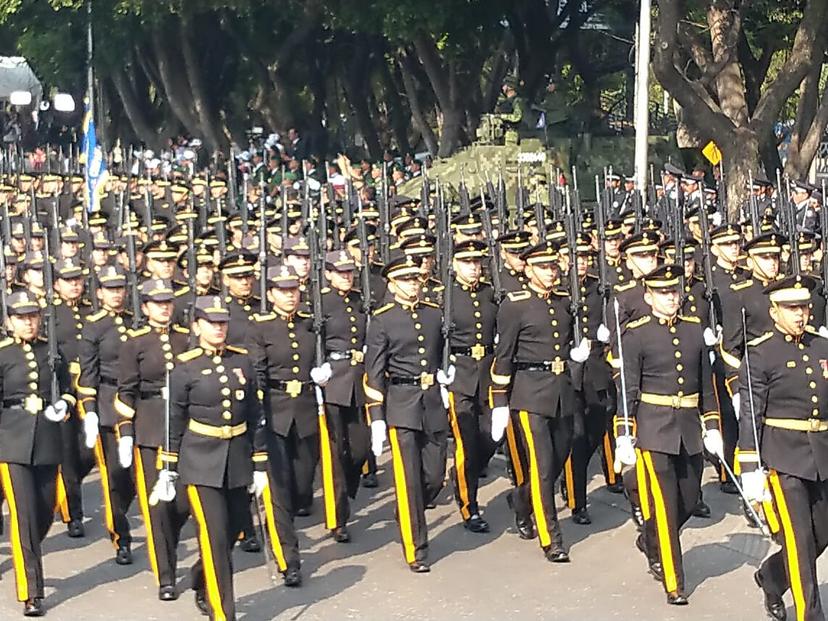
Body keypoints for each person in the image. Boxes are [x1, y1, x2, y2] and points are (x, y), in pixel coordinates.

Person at [614, 264, 722, 605]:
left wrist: (714, 425)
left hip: (688, 426)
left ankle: (650, 538)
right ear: (648, 297)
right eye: (663, 293)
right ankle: (675, 583)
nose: (671, 297)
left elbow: (706, 384)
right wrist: (624, 434)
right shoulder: (637, 334)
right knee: (664, 505)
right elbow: (628, 389)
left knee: (687, 501)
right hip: (653, 426)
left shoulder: (693, 329)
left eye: (674, 291)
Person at [166, 295, 269, 619]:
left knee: (234, 531)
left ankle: (201, 578)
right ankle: (223, 611)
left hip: (237, 458)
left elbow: (255, 414)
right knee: (213, 535)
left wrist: (260, 463)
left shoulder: (242, 362)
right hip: (199, 462)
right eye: (212, 323)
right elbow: (174, 420)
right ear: (196, 327)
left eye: (223, 323)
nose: (219, 329)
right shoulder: (184, 368)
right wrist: (168, 468)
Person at [738, 275, 828, 621]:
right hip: (784, 457)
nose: (800, 314)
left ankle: (773, 576)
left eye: (803, 307)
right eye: (791, 308)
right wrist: (750, 467)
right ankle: (811, 614)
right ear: (775, 312)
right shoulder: (760, 354)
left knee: (821, 532)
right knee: (800, 540)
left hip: (821, 451)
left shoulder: (821, 347)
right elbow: (751, 414)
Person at [489, 240, 585, 563]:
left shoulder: (563, 301)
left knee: (558, 458)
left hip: (561, 390)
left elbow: (568, 341)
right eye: (544, 267)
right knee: (543, 465)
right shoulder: (514, 306)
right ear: (528, 270)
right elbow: (503, 357)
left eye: (554, 266)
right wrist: (500, 401)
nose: (551, 272)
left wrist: (577, 356)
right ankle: (551, 538)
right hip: (529, 393)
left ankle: (520, 498)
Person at [364, 254, 448, 572]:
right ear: (392, 284)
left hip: (432, 400)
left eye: (416, 279)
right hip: (401, 401)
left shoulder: (433, 314)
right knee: (409, 479)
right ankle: (417, 549)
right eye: (407, 280)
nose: (414, 285)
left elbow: (441, 353)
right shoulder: (383, 320)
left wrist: (445, 375)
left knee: (434, 474)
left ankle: (407, 510)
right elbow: (374, 371)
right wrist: (376, 417)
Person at [115, 279, 191, 601]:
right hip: (150, 428)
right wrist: (125, 432)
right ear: (145, 308)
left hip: (186, 429)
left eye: (168, 302)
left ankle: (176, 548)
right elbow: (125, 392)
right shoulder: (135, 344)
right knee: (157, 507)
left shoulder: (187, 339)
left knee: (185, 503)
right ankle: (167, 575)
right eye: (157, 303)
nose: (164, 307)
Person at [0, 290, 74, 617]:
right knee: (25, 517)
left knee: (45, 511)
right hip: (11, 441)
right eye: (21, 317)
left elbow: (69, 389)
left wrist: (65, 405)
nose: (28, 322)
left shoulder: (51, 352)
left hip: (46, 438)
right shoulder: (2, 354)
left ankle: (28, 553)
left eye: (32, 316)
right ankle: (31, 591)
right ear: (9, 320)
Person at [76, 264, 136, 565]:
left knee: (136, 479)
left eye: (120, 288)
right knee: (115, 475)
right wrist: (89, 411)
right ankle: (120, 536)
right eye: (110, 289)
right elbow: (89, 374)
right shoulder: (95, 326)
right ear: (99, 293)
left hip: (139, 404)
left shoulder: (136, 320)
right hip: (109, 404)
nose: (116, 294)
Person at [445, 240, 498, 532]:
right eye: (467, 263)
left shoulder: (490, 292)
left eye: (477, 262)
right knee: (466, 443)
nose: (474, 268)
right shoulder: (447, 296)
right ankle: (470, 506)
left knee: (490, 438)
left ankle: (466, 474)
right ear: (455, 265)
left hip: (487, 373)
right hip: (460, 375)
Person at [319, 250, 370, 542]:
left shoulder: (358, 299)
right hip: (333, 379)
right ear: (328, 274)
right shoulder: (321, 303)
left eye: (350, 272)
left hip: (357, 378)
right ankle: (338, 518)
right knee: (336, 453)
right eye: (340, 273)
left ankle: (348, 492)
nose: (347, 277)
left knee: (360, 449)